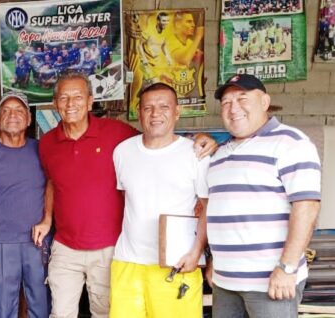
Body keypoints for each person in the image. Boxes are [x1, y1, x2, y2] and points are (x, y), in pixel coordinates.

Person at [38, 71, 216, 318]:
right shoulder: (52, 144)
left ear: (90, 101)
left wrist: (201, 139)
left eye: (78, 96)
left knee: (104, 312)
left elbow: (160, 140)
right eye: (64, 98)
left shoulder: (120, 136)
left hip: (136, 253)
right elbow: (52, 181)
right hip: (98, 254)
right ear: (55, 103)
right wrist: (47, 219)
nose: (71, 104)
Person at [208, 74, 321, 318]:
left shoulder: (291, 142)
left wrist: (287, 268)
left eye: (242, 98)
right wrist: (213, 265)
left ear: (265, 102)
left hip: (271, 282)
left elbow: (307, 207)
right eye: (226, 102)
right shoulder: (219, 154)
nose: (233, 107)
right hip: (224, 282)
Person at [110, 83, 209, 318]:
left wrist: (196, 252)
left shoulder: (196, 154)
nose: (155, 114)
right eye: (148, 108)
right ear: (138, 112)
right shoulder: (122, 152)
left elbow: (208, 207)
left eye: (164, 107)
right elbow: (130, 199)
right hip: (127, 263)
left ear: (177, 112)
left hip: (176, 264)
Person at [0, 91, 50, 318]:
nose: (12, 115)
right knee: (3, 310)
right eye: (6, 110)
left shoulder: (42, 150)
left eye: (18, 110)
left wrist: (48, 220)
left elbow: (54, 186)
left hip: (38, 243)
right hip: (0, 244)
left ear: (29, 118)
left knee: (41, 307)